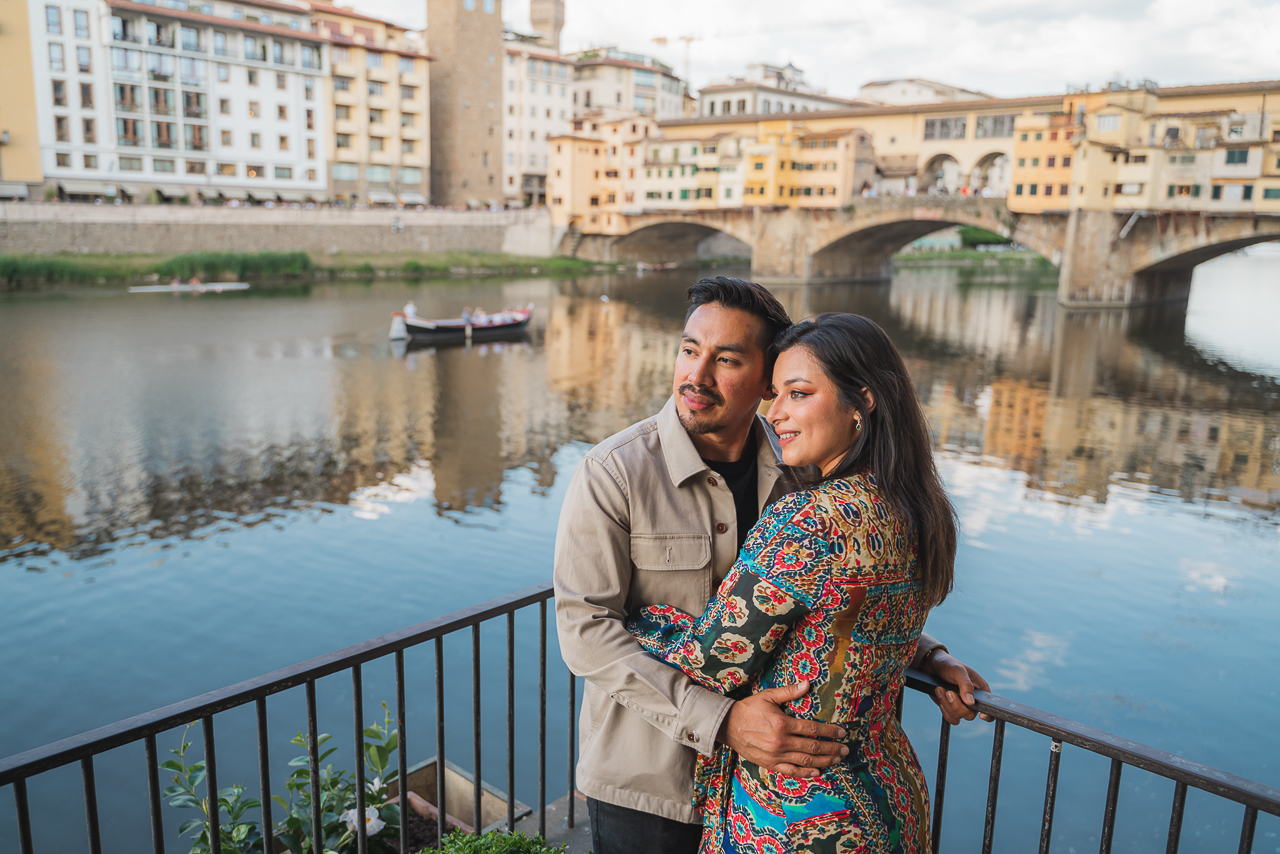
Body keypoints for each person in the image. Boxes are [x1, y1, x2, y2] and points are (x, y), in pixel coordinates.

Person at [555, 278, 989, 854]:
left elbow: (828, 610)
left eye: (726, 359)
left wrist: (927, 654)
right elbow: (585, 632)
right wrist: (721, 723)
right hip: (652, 784)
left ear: (766, 379)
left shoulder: (801, 473)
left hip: (772, 802)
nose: (696, 375)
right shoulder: (614, 472)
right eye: (689, 349)